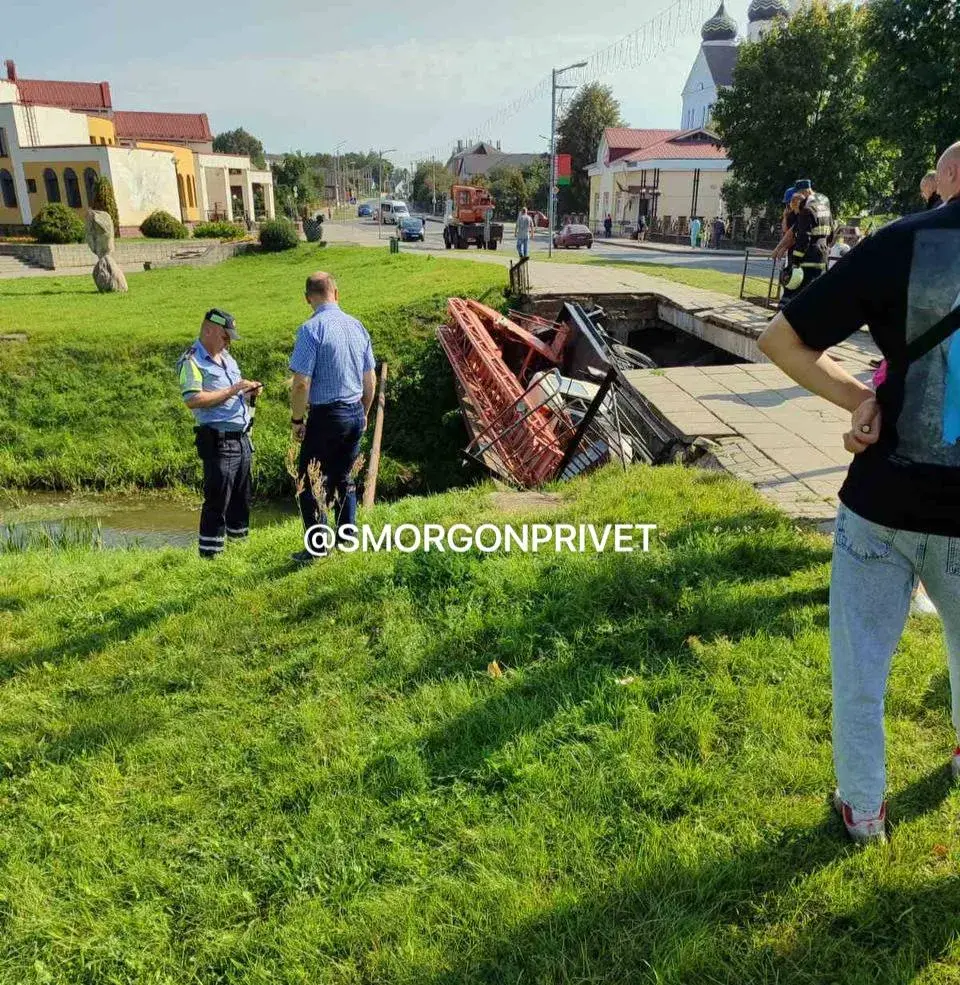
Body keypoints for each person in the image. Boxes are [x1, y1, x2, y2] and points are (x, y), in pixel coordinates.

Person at [756, 141, 960, 845]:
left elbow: (781, 341)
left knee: (861, 666)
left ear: (952, 177)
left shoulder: (898, 243)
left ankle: (864, 809)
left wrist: (857, 399)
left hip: (883, 501)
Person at [289, 271, 377, 564]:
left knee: (310, 480)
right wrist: (363, 413)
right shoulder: (357, 326)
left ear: (307, 299)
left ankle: (317, 548)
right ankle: (347, 538)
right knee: (344, 477)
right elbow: (371, 380)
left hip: (326, 415)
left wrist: (298, 421)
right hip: (353, 410)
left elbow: (301, 383)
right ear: (336, 293)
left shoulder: (310, 329)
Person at [176, 309, 261, 559]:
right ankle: (211, 559)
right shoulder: (191, 360)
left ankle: (239, 552)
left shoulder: (228, 359)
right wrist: (235, 389)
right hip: (219, 441)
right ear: (210, 330)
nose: (229, 342)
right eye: (225, 336)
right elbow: (193, 399)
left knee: (241, 499)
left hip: (242, 439)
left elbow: (233, 395)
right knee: (217, 502)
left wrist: (248, 393)